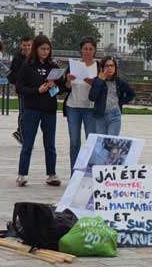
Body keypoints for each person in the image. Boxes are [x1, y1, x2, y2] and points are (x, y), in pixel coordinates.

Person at [14, 35, 61, 187]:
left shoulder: (53, 67)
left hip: (49, 109)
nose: (45, 52)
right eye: (42, 49)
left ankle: (51, 174)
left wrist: (55, 87)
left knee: (50, 144)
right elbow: (20, 87)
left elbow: (60, 89)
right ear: (36, 49)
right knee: (28, 142)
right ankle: (22, 174)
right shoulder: (27, 66)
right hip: (32, 108)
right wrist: (37, 90)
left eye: (47, 49)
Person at [63, 36, 99, 171]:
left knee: (91, 140)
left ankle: (91, 171)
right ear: (81, 50)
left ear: (94, 50)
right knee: (74, 142)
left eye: (90, 49)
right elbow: (65, 88)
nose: (88, 52)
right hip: (73, 106)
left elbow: (102, 87)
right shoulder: (73, 65)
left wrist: (93, 83)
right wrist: (67, 80)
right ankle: (75, 172)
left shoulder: (98, 66)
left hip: (90, 107)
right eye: (85, 49)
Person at [88, 56, 135, 136]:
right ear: (102, 68)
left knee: (111, 142)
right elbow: (92, 97)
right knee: (102, 142)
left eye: (112, 66)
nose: (109, 68)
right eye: (107, 66)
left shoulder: (119, 82)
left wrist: (120, 102)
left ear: (115, 68)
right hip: (100, 115)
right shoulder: (97, 80)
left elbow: (131, 94)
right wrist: (100, 81)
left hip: (115, 115)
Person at [8, 36, 33, 143]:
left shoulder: (34, 57)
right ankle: (21, 134)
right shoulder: (17, 58)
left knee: (30, 112)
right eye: (24, 45)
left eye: (28, 45)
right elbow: (12, 74)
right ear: (21, 46)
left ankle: (21, 132)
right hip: (22, 89)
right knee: (23, 111)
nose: (26, 47)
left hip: (33, 89)